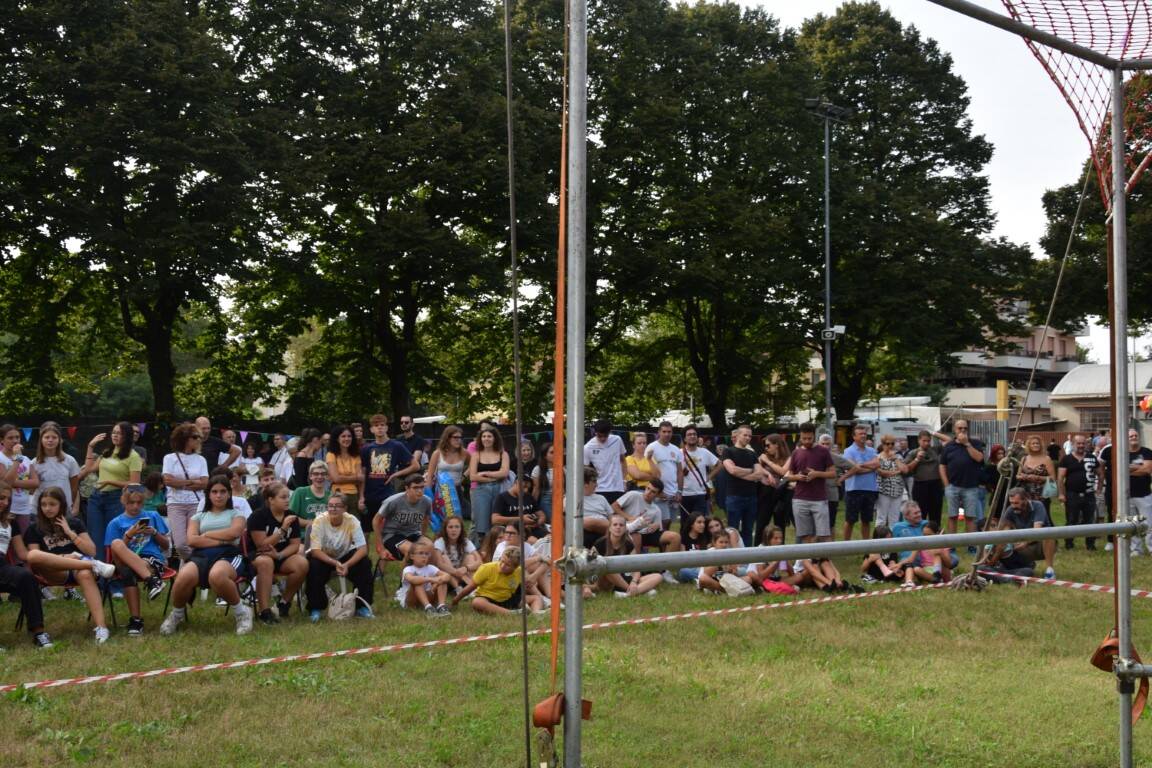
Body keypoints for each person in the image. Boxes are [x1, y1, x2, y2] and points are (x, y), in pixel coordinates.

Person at [159, 477, 254, 636]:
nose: (219, 495)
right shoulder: (198, 517)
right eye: (214, 492)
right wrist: (222, 540)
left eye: (223, 491)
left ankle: (242, 612)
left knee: (217, 575)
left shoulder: (237, 514)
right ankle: (177, 614)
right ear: (208, 495)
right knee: (183, 576)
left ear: (229, 494)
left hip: (230, 555)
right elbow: (191, 540)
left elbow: (235, 533)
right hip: (201, 556)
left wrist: (207, 534)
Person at [24, 486, 116, 643]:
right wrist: (67, 558)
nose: (48, 508)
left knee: (86, 574)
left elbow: (91, 550)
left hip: (78, 570)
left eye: (52, 504)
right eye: (44, 504)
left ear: (61, 505)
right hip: (54, 572)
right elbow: (35, 559)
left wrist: (70, 532)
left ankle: (102, 628)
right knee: (33, 556)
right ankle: (93, 565)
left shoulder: (74, 523)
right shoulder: (34, 529)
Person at [104, 485, 171, 635]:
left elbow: (166, 546)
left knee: (129, 573)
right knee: (116, 543)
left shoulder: (153, 516)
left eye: (139, 503)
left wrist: (154, 532)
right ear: (124, 502)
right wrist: (129, 535)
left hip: (150, 558)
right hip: (124, 560)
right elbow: (113, 554)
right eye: (131, 503)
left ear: (143, 502)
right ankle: (152, 581)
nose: (135, 506)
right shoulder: (115, 523)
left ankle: (136, 620)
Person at [304, 493, 374, 621]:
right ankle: (316, 608)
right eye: (330, 506)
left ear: (345, 508)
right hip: (324, 555)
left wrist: (347, 564)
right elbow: (315, 551)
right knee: (314, 566)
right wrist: (334, 562)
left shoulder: (352, 521)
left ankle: (361, 607)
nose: (333, 509)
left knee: (365, 563)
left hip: (345, 554)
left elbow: (363, 549)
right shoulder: (319, 521)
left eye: (337, 506)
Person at [0, 481, 54, 647]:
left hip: (1, 565)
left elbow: (23, 554)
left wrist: (54, 558)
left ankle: (38, 632)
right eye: (1, 498)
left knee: (26, 577)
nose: (4, 502)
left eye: (7, 499)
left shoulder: (10, 523)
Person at [248, 481, 308, 623]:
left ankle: (283, 603)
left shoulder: (291, 515)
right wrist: (283, 529)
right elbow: (261, 545)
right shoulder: (259, 516)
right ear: (271, 500)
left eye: (288, 496)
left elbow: (295, 545)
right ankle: (264, 611)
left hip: (280, 555)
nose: (287, 500)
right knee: (266, 562)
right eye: (283, 497)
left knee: (302, 563)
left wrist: (279, 555)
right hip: (258, 556)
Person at [82, 421, 143, 554]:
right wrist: (90, 446)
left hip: (116, 498)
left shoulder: (133, 457)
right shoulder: (107, 451)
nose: (115, 435)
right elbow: (89, 469)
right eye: (114, 432)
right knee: (95, 536)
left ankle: (114, 571)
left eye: (119, 433)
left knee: (113, 538)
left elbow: (135, 484)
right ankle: (99, 570)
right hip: (96, 497)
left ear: (126, 436)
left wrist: (111, 482)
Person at [373, 474, 453, 572]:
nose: (419, 491)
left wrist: (422, 536)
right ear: (407, 488)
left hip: (413, 533)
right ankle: (406, 583)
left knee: (431, 547)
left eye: (422, 487)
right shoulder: (393, 501)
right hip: (392, 534)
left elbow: (425, 519)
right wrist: (380, 547)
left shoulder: (426, 501)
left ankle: (428, 577)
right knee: (413, 550)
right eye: (415, 488)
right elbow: (376, 520)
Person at [1099, 428, 1152, 556]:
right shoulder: (1121, 454)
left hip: (1144, 494)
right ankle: (1136, 549)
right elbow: (1119, 471)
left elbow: (1147, 469)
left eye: (1135, 435)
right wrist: (1138, 467)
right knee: (1132, 524)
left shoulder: (1146, 452)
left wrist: (1129, 469)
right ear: (1126, 439)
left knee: (1149, 523)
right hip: (1126, 495)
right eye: (1131, 436)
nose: (1134, 437)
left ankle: (1151, 548)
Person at [984, 487, 1057, 578]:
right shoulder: (1010, 510)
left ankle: (1050, 570)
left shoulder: (1038, 506)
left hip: (1040, 544)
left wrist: (1025, 543)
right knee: (1001, 543)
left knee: (1048, 535)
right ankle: (998, 566)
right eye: (1011, 503)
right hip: (1021, 546)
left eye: (1016, 503)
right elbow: (1000, 532)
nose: (1013, 506)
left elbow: (1037, 531)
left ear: (1026, 499)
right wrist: (989, 550)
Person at [361, 413, 418, 529]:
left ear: (387, 427)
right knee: (366, 530)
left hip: (387, 494)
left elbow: (415, 465)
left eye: (382, 425)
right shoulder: (366, 449)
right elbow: (362, 473)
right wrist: (361, 496)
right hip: (369, 494)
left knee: (387, 529)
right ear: (372, 429)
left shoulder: (396, 446)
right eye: (376, 425)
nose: (380, 427)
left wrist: (396, 474)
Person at [163, 422, 210, 562]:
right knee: (180, 544)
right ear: (184, 438)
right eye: (195, 437)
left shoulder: (201, 459)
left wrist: (180, 483)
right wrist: (192, 482)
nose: (198, 440)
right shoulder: (169, 458)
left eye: (199, 437)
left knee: (194, 541)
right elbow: (168, 481)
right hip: (175, 504)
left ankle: (188, 576)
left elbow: (205, 483)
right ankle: (200, 565)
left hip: (196, 503)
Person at [783, 423, 836, 544]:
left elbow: (833, 473)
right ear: (800, 436)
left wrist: (817, 474)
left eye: (809, 438)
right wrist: (797, 477)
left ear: (814, 436)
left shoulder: (823, 451)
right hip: (800, 498)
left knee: (824, 534)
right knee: (804, 535)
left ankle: (825, 560)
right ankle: (809, 561)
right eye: (803, 438)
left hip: (819, 498)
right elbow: (789, 476)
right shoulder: (796, 453)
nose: (806, 441)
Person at [453, 545, 543, 614]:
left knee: (536, 598)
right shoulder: (486, 568)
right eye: (502, 561)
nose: (503, 566)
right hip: (488, 598)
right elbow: (470, 587)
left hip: (508, 599)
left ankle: (536, 613)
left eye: (507, 565)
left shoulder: (519, 572)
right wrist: (455, 600)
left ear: (515, 567)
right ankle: (511, 613)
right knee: (477, 602)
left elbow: (528, 583)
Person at [938, 419, 986, 536]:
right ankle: (952, 544)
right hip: (952, 486)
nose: (963, 430)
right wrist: (946, 485)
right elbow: (942, 465)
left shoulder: (975, 443)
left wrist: (967, 444)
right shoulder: (949, 446)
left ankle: (971, 544)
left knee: (970, 516)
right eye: (960, 428)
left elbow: (979, 458)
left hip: (971, 486)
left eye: (965, 428)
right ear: (954, 430)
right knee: (952, 516)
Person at [612, 478, 681, 558]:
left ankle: (666, 567)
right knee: (636, 536)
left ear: (658, 495)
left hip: (646, 533)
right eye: (648, 488)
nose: (648, 493)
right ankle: (635, 568)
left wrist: (657, 525)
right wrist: (629, 517)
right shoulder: (633, 495)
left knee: (675, 537)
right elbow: (614, 506)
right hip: (627, 530)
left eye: (653, 492)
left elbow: (658, 529)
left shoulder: (656, 510)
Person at [721, 424, 761, 546]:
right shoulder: (728, 451)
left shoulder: (752, 453)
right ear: (737, 435)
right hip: (734, 496)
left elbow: (759, 474)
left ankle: (747, 559)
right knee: (732, 530)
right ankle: (733, 559)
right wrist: (750, 471)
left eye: (750, 436)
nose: (748, 438)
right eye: (745, 435)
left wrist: (740, 472)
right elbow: (732, 470)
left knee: (748, 529)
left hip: (751, 497)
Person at [1058, 434, 1099, 550]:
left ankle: (1090, 545)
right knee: (1071, 520)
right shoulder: (1066, 459)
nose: (1081, 446)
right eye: (1078, 443)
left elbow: (1100, 473)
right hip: (1072, 494)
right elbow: (1060, 478)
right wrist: (1061, 494)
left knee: (1090, 520)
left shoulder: (1092, 457)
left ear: (1086, 444)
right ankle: (1069, 544)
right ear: (1073, 444)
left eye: (1083, 443)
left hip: (1089, 494)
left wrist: (1099, 489)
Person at [31, 421, 80, 516]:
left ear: (59, 440)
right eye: (47, 437)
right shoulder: (34, 463)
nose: (50, 440)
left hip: (63, 510)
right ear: (41, 440)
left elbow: (74, 487)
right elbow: (31, 489)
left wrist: (71, 505)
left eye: (54, 437)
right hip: (41, 510)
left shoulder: (70, 460)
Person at [468, 426, 509, 539]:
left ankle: (497, 547)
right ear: (480, 439)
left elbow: (505, 472)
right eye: (484, 436)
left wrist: (486, 473)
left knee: (497, 521)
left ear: (495, 438)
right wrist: (493, 478)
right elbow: (473, 476)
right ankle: (481, 548)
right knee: (481, 523)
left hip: (500, 489)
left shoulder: (503, 454)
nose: (486, 439)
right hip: (480, 490)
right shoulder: (476, 454)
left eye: (489, 436)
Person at [841, 424, 880, 541]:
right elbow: (853, 469)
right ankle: (845, 545)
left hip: (870, 489)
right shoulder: (848, 451)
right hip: (854, 489)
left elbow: (877, 464)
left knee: (866, 520)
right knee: (850, 520)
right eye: (860, 434)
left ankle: (866, 546)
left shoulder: (872, 450)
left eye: (865, 433)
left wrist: (861, 465)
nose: (863, 436)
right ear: (854, 437)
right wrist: (870, 467)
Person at [425, 425, 471, 522]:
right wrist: (429, 495)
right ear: (447, 438)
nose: (458, 440)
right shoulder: (437, 453)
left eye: (460, 438)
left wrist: (463, 476)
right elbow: (429, 475)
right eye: (455, 437)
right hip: (441, 490)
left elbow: (474, 465)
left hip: (456, 489)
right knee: (441, 519)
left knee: (457, 519)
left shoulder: (464, 453)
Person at [645, 421, 684, 531]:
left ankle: (666, 545)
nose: (667, 434)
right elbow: (650, 473)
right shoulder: (651, 447)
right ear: (659, 432)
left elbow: (679, 471)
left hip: (673, 493)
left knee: (669, 523)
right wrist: (658, 491)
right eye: (664, 431)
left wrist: (679, 491)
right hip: (659, 493)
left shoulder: (676, 449)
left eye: (669, 432)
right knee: (662, 522)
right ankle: (662, 545)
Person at [0, 425, 38, 536]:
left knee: (24, 538)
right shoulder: (1, 458)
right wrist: (17, 459)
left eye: (17, 437)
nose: (15, 441)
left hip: (24, 508)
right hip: (6, 508)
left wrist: (14, 483)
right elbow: (6, 483)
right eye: (10, 438)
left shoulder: (26, 459)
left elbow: (35, 482)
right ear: (2, 440)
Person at [396, 541, 452, 616]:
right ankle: (428, 608)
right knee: (417, 582)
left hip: (428, 595)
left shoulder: (431, 567)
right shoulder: (408, 569)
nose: (424, 556)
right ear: (412, 556)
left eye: (426, 554)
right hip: (411, 600)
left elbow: (447, 576)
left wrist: (437, 583)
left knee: (442, 581)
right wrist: (431, 579)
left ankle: (441, 606)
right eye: (421, 553)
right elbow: (412, 579)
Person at [756, 434, 792, 544]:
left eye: (768, 445)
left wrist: (767, 462)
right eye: (765, 446)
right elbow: (757, 470)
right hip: (766, 493)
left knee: (780, 525)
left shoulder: (789, 458)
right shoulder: (763, 456)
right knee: (761, 524)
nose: (766, 448)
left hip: (781, 494)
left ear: (776, 445)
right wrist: (767, 473)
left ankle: (780, 553)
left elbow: (784, 472)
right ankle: (757, 551)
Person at [905, 430, 944, 528]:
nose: (926, 443)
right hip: (920, 485)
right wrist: (917, 459)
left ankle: (935, 534)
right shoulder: (913, 453)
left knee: (936, 513)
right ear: (919, 440)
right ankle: (920, 534)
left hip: (936, 484)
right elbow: (906, 469)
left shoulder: (935, 449)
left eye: (928, 441)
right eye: (924, 441)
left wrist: (934, 433)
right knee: (920, 513)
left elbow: (949, 441)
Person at [583, 418, 628, 504]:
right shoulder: (588, 447)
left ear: (609, 432)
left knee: (617, 516)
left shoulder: (617, 440)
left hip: (617, 487)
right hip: (599, 488)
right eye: (600, 436)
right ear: (595, 433)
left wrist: (624, 480)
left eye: (605, 436)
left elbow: (623, 460)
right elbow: (586, 470)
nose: (603, 438)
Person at [590, 514, 636, 596]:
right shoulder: (599, 543)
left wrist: (634, 581)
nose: (618, 527)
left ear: (625, 528)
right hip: (603, 579)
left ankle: (630, 592)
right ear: (609, 528)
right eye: (615, 525)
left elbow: (637, 565)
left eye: (621, 525)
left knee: (657, 576)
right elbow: (589, 564)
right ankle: (630, 590)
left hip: (624, 577)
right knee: (607, 566)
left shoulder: (629, 544)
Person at [326, 425, 363, 526]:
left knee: (354, 526)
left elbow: (361, 479)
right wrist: (355, 477)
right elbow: (336, 478)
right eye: (343, 436)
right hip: (337, 495)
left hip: (354, 496)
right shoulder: (331, 455)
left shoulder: (356, 455)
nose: (347, 439)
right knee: (337, 525)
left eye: (349, 436)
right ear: (337, 438)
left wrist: (361, 497)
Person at [680, 425, 719, 521]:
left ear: (697, 437)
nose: (692, 436)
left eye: (694, 434)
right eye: (689, 434)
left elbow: (719, 464)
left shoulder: (704, 452)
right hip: (684, 494)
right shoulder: (679, 453)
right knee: (685, 523)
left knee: (700, 522)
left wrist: (708, 477)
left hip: (700, 493)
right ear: (685, 438)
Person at [492, 475, 547, 541]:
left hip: (532, 529)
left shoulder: (528, 497)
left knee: (551, 538)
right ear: (515, 483)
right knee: (533, 540)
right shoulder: (502, 497)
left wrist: (536, 524)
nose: (526, 490)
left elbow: (542, 515)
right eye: (523, 487)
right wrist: (521, 519)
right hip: (513, 531)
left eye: (528, 488)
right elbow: (495, 520)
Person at [434, 516, 481, 591]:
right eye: (450, 527)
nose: (454, 530)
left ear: (461, 529)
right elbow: (439, 563)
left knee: (471, 557)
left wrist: (466, 568)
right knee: (443, 558)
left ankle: (472, 587)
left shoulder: (465, 541)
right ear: (445, 529)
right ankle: (459, 589)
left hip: (462, 573)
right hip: (448, 576)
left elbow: (479, 561)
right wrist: (457, 573)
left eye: (457, 527)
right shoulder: (440, 542)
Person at [1017, 435, 1056, 516]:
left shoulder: (1047, 459)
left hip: (1042, 495)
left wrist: (1037, 477)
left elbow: (1053, 478)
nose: (1035, 445)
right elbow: (1017, 476)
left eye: (1037, 443)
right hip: (1026, 494)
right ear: (1029, 446)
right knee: (1026, 515)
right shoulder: (1024, 458)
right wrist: (1024, 476)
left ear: (1041, 445)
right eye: (1033, 443)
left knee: (1042, 516)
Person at [874, 434, 907, 530]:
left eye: (892, 444)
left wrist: (895, 459)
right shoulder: (878, 457)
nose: (890, 446)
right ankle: (878, 541)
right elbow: (881, 473)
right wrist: (897, 472)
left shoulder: (898, 457)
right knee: (881, 518)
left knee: (895, 519)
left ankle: (893, 542)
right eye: (888, 444)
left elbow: (905, 470)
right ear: (883, 444)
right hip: (883, 491)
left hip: (897, 491)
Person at [290, 460, 332, 532]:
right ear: (310, 476)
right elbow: (291, 517)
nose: (319, 476)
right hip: (303, 536)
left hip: (326, 536)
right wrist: (314, 523)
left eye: (323, 474)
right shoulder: (300, 492)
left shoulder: (331, 495)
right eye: (316, 474)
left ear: (327, 476)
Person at [579, 466, 613, 547]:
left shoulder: (601, 498)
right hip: (585, 531)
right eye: (594, 481)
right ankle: (628, 527)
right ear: (585, 483)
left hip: (605, 531)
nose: (596, 484)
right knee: (586, 522)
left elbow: (612, 517)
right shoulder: (571, 499)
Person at [532, 442, 556, 520]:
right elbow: (536, 489)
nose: (555, 454)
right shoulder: (538, 469)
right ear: (545, 456)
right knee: (555, 521)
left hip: (563, 499)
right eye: (552, 452)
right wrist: (532, 507)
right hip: (546, 498)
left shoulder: (564, 468)